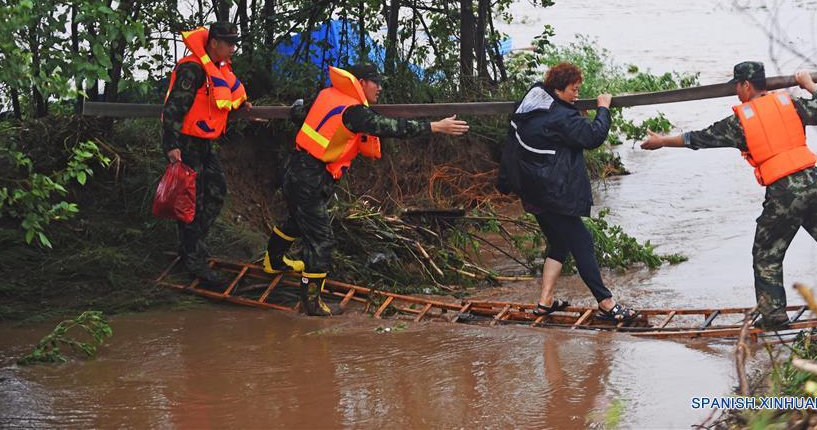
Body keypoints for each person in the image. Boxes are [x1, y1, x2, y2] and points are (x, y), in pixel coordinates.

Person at [640, 61, 817, 329]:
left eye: (737, 87)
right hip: (814, 183)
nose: (736, 93)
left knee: (767, 253)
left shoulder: (741, 122)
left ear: (746, 85)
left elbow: (699, 138)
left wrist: (662, 141)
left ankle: (773, 316)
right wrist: (809, 85)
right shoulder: (790, 104)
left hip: (785, 193)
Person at [263, 63, 469, 315]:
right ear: (360, 83)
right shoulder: (354, 112)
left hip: (296, 168)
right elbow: (391, 128)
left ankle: (273, 262)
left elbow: (299, 113)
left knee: (298, 222)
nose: (380, 88)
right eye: (376, 82)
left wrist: (296, 108)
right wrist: (435, 127)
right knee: (322, 240)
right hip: (309, 177)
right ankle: (312, 303)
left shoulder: (327, 95)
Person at [497, 62, 636, 323]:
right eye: (574, 90)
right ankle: (606, 304)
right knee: (582, 242)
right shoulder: (561, 117)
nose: (576, 94)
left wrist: (574, 109)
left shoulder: (534, 98)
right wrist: (603, 108)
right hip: (552, 192)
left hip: (530, 188)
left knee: (559, 242)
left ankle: (545, 301)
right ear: (559, 89)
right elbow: (593, 136)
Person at [161, 23, 251, 283]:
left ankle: (192, 247)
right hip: (185, 144)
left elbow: (220, 99)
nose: (233, 48)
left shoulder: (219, 69)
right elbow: (174, 108)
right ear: (214, 43)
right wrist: (171, 145)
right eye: (229, 43)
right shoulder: (193, 69)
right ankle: (194, 260)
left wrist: (242, 105)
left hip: (203, 144)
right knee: (191, 203)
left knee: (216, 192)